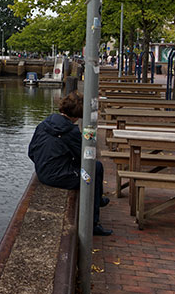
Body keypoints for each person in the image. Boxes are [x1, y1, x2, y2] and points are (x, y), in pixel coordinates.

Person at [28, 91, 113, 236]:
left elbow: (31, 152)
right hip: (59, 175)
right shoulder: (70, 131)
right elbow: (85, 158)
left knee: (91, 170)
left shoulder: (44, 124)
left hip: (43, 171)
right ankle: (93, 222)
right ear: (76, 116)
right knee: (95, 169)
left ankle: (98, 199)